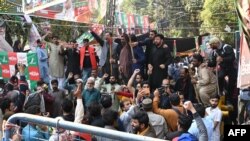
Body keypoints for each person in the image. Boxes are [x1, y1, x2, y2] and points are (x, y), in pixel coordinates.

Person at [208, 37, 237, 104]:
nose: (211, 47)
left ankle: (229, 99)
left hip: (231, 68)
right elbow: (213, 63)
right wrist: (207, 64)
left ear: (216, 43)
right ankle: (221, 92)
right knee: (219, 77)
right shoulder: (214, 51)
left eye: (212, 45)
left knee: (231, 84)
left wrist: (223, 59)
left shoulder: (226, 47)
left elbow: (232, 57)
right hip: (223, 68)